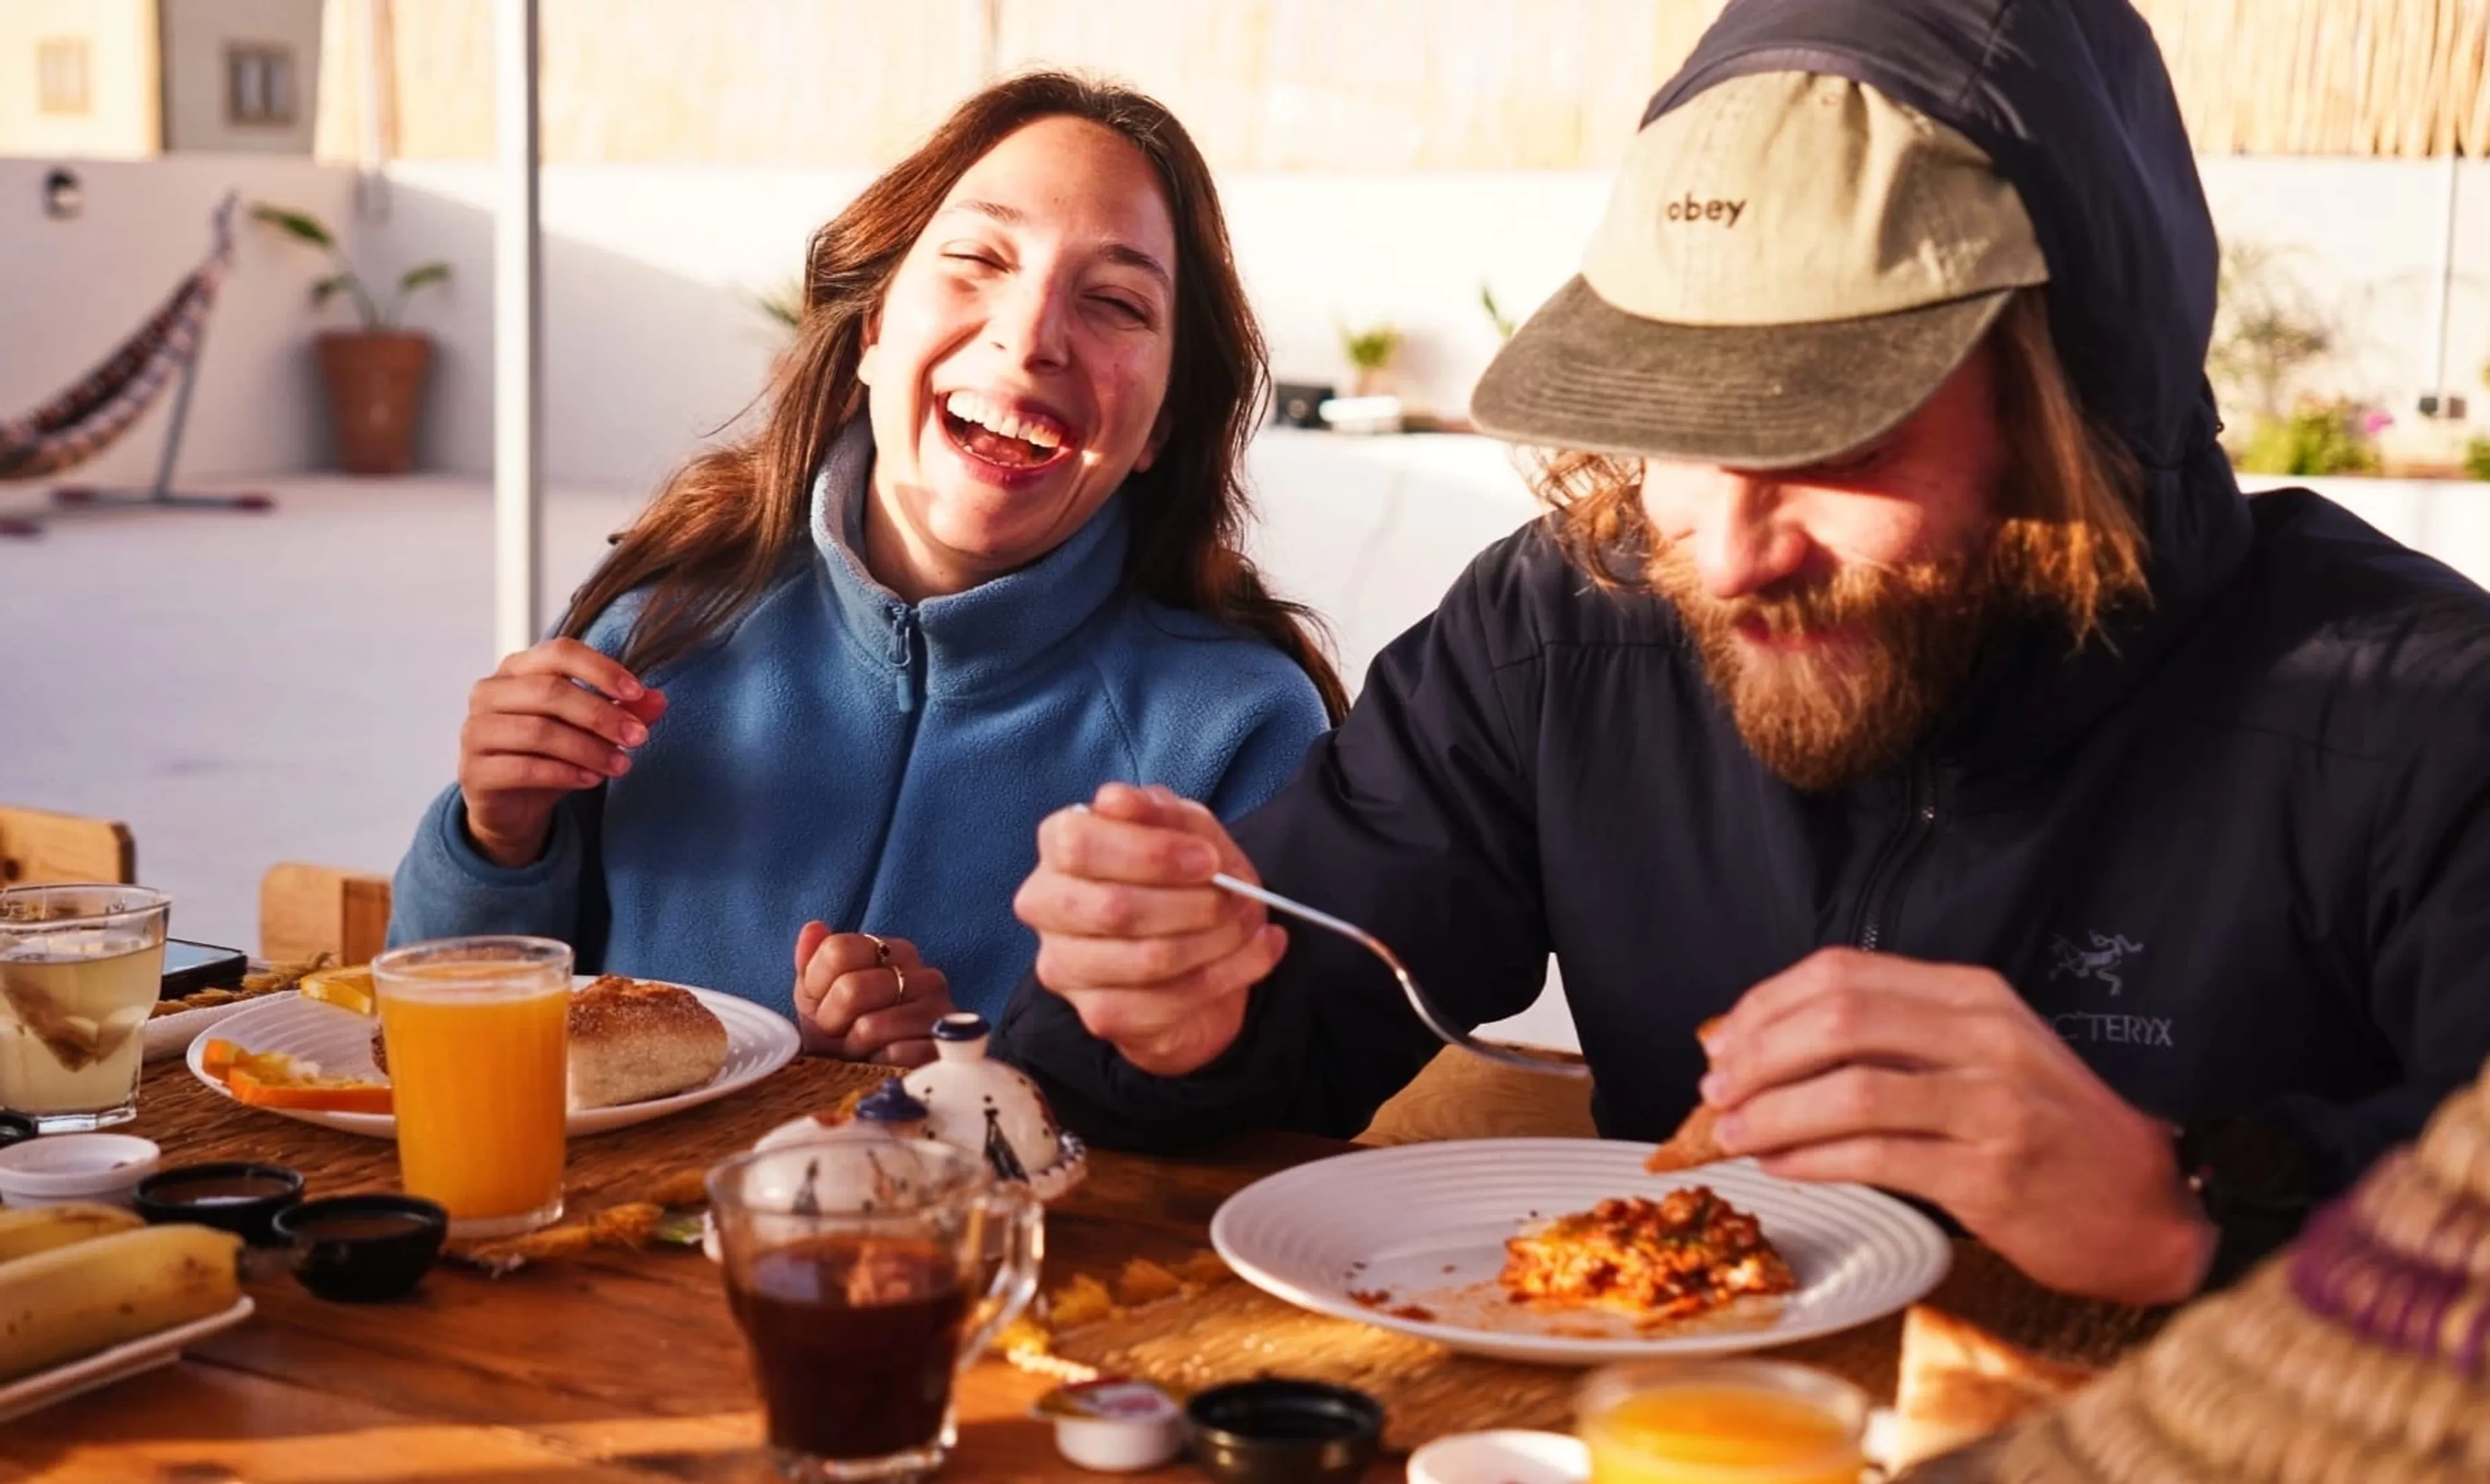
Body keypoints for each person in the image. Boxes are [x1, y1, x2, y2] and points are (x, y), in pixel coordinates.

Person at [997, 0, 2490, 1306]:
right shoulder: (1564, 628)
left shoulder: (2413, 716)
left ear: (2075, 406)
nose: (1728, 549)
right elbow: (1285, 999)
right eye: (1676, 432)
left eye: (1835, 438)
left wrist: (2193, 1207)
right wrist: (1173, 1014)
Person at [387, 73, 1342, 1066]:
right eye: (978, 258)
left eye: (1114, 301)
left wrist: (964, 1079)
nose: (1031, 337)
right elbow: (435, 1055)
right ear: (875, 329)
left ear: (1164, 427)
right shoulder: (656, 628)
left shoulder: (1244, 731)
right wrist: (498, 839)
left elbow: (1257, 1111)